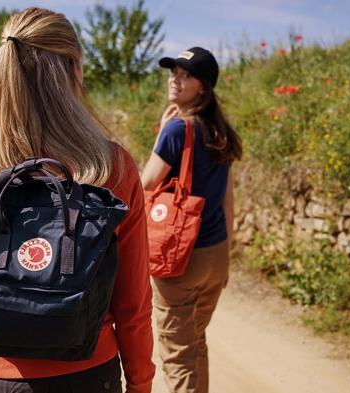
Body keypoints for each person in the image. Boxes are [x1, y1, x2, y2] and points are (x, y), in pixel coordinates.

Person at [0, 7, 155, 393]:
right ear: (75, 70)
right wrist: (140, 382)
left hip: (0, 380)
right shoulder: (111, 167)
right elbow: (133, 303)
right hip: (92, 375)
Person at [140, 47, 243, 393]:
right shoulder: (220, 132)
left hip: (180, 257)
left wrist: (161, 135)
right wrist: (226, 260)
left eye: (186, 75)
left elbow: (144, 184)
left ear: (203, 88)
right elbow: (228, 203)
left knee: (178, 355)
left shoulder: (176, 131)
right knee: (196, 340)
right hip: (216, 254)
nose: (175, 79)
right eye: (174, 72)